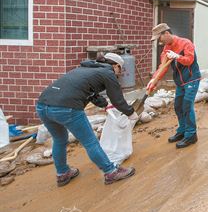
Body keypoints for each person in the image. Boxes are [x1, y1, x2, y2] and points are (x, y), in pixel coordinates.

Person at [36, 53, 137, 186]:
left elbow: (89, 92)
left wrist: (105, 104)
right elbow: (117, 99)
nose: (119, 73)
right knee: (90, 142)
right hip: (68, 108)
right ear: (116, 66)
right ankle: (111, 171)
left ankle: (62, 173)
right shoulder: (108, 72)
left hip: (43, 106)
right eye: (120, 70)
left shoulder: (84, 69)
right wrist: (130, 112)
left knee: (59, 140)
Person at [147, 23, 201, 148]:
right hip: (180, 82)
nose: (159, 42)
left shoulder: (185, 43)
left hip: (191, 79)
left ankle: (191, 135)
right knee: (178, 106)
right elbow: (162, 67)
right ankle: (182, 131)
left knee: (187, 105)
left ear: (166, 33)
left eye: (159, 38)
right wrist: (154, 80)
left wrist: (177, 56)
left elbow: (189, 60)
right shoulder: (166, 49)